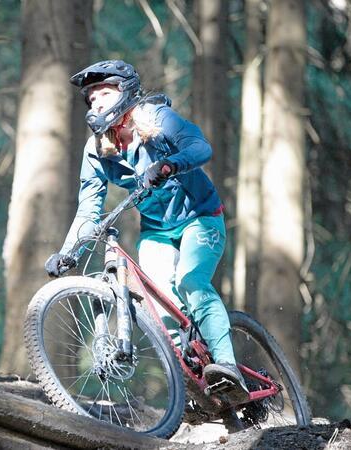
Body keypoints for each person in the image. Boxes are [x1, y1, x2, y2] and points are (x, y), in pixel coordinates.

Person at [44, 59, 248, 404]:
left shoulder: (156, 118)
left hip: (201, 218)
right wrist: (70, 252)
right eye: (91, 98)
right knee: (159, 304)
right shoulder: (97, 149)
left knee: (191, 282)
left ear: (125, 92)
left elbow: (201, 147)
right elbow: (89, 209)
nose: (96, 103)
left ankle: (228, 366)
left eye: (104, 94)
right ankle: (192, 384)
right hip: (155, 230)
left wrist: (169, 164)